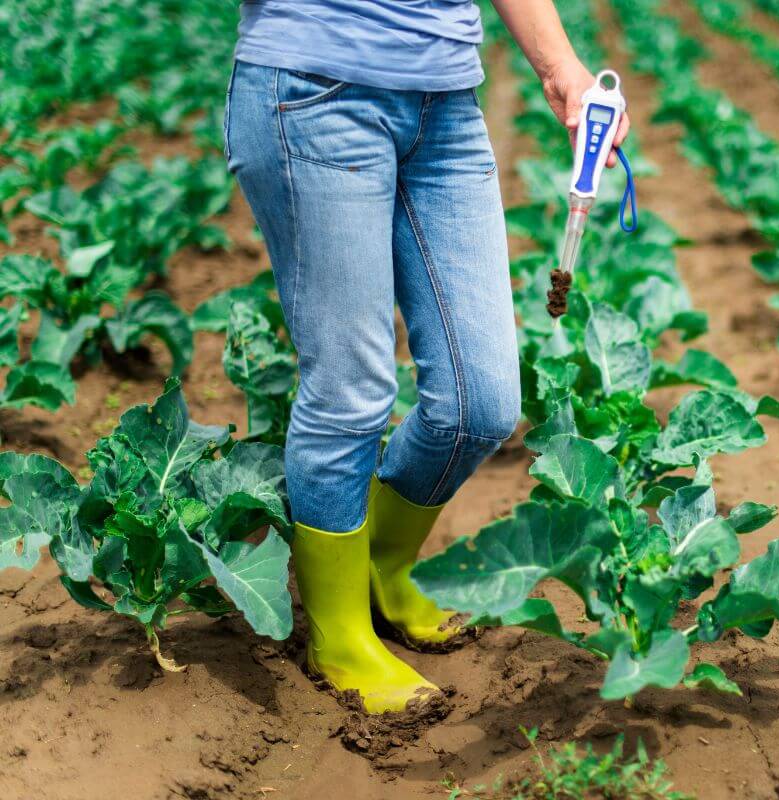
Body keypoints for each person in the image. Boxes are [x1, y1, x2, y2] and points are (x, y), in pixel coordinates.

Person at [224, 0, 630, 713]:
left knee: (483, 402)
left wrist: (561, 64)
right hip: (313, 91)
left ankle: (381, 564)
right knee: (351, 390)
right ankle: (340, 634)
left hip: (444, 105)